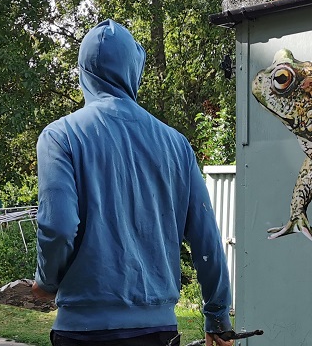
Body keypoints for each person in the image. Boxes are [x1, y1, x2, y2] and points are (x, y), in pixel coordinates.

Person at [31, 19, 233, 346]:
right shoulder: (177, 145)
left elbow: (59, 227)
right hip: (158, 331)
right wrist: (218, 316)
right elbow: (206, 238)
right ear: (133, 70)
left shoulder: (60, 136)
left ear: (84, 74)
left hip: (84, 333)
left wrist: (47, 281)